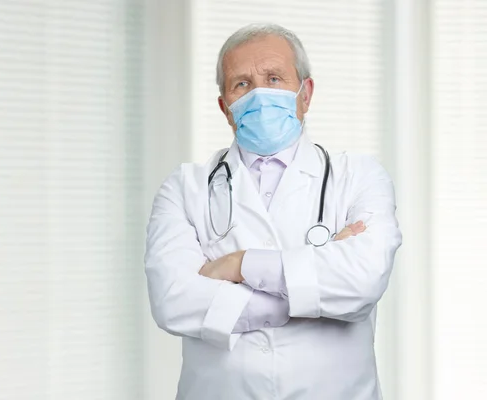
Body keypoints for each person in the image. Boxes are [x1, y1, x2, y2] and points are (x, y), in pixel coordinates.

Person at [145, 23, 402, 400]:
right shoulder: (185, 188)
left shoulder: (359, 177)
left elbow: (361, 282)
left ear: (305, 93)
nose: (260, 94)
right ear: (225, 107)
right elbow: (172, 301)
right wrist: (311, 287)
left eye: (274, 78)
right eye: (242, 84)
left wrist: (238, 265)